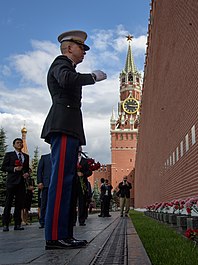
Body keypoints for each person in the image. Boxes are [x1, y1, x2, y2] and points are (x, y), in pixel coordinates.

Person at [40, 30, 107, 250]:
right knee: (60, 183)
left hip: (70, 127)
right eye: (81, 48)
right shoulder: (61, 63)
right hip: (63, 126)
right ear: (69, 48)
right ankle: (55, 236)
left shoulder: (68, 66)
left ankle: (65, 234)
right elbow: (67, 80)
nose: (84, 52)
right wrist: (92, 77)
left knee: (67, 183)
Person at [1, 138, 30, 232]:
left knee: (19, 204)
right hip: (12, 182)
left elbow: (25, 169)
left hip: (21, 183)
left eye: (21, 143)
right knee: (8, 203)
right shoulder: (9, 155)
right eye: (17, 143)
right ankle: (5, 224)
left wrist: (26, 174)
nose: (20, 144)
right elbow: (3, 167)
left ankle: (17, 223)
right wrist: (14, 169)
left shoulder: (26, 156)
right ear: (13, 145)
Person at [73, 147, 92, 226]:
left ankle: (81, 220)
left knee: (82, 202)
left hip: (82, 184)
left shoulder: (85, 161)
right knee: (73, 203)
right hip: (73, 184)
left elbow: (90, 172)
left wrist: (83, 174)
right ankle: (72, 221)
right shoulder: (71, 159)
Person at [37, 152, 52, 228]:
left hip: (57, 184)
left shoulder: (61, 158)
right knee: (44, 204)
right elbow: (39, 170)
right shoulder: (44, 157)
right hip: (46, 184)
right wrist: (40, 182)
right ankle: (42, 221)